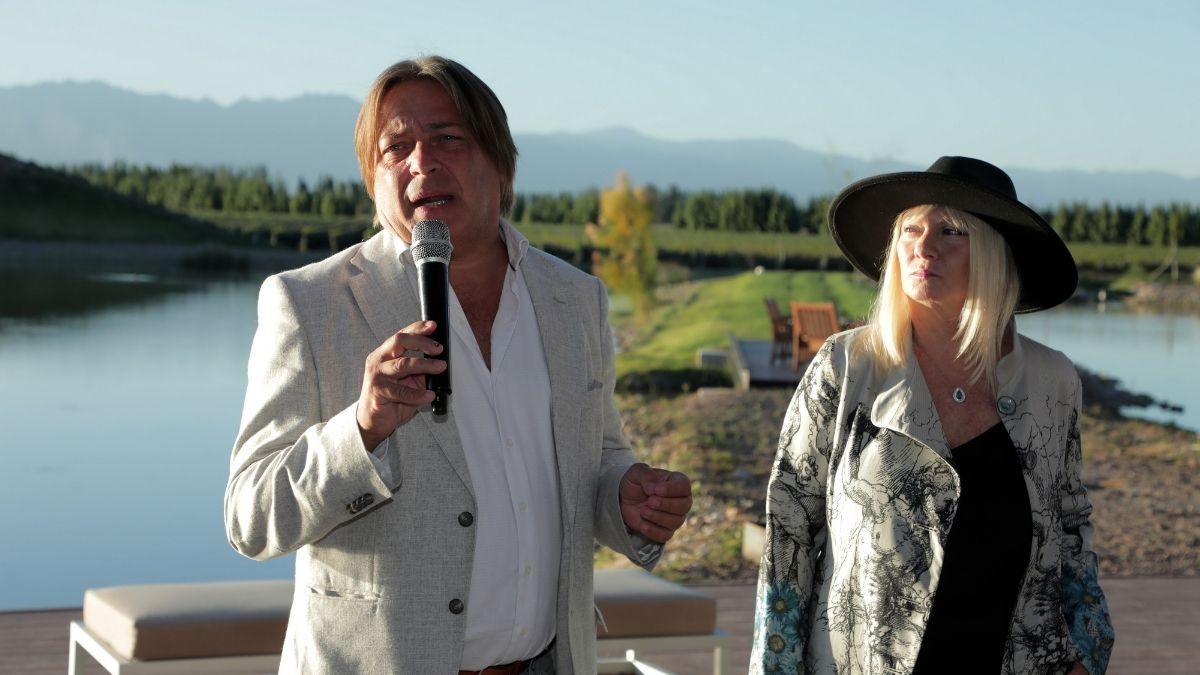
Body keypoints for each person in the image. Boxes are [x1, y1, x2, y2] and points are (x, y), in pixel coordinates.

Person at [223, 55, 692, 675]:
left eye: (448, 137)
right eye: (396, 147)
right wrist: (360, 429)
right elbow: (250, 518)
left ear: (501, 162)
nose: (422, 161)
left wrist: (626, 496)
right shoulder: (309, 304)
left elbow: (598, 457)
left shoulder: (574, 298)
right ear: (373, 180)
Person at [750, 156, 1115, 674]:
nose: (924, 247)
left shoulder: (1052, 381)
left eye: (951, 231)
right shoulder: (846, 366)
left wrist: (1088, 649)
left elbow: (1072, 524)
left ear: (993, 254)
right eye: (911, 230)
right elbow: (789, 528)